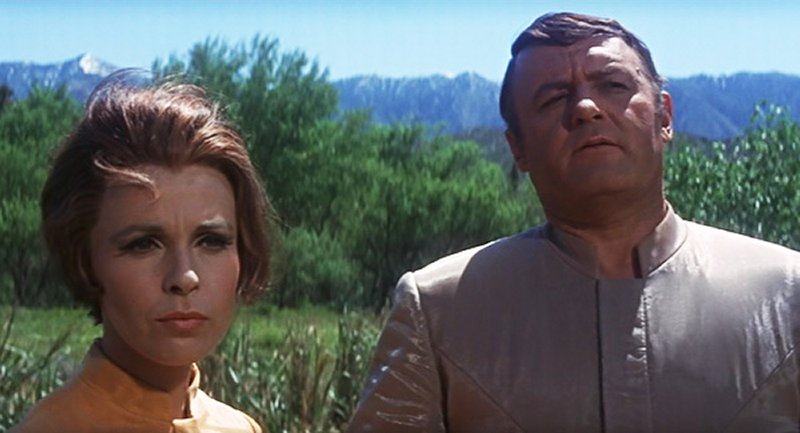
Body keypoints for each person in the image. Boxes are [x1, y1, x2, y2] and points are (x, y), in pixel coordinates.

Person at [348, 12, 800, 433]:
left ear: (664, 116)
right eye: (552, 99)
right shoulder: (439, 308)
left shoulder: (785, 292)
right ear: (518, 148)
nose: (585, 106)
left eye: (614, 85)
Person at [11, 71, 272, 432]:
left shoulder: (240, 427)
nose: (184, 277)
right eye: (144, 244)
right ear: (86, 261)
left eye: (211, 241)